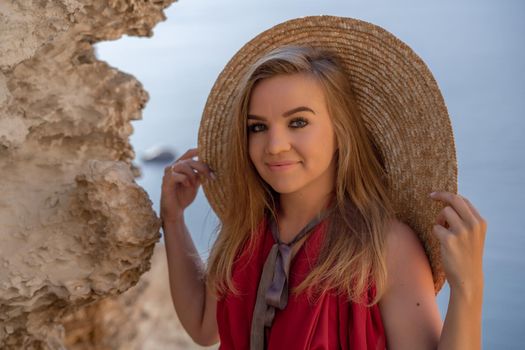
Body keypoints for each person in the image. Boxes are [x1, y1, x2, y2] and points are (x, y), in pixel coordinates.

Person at [160, 16, 487, 349]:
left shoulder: (387, 247)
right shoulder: (247, 231)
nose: (274, 145)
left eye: (298, 122)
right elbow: (203, 327)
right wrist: (173, 221)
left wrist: (469, 287)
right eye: (257, 127)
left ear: (341, 131)